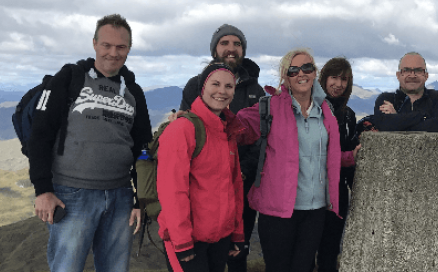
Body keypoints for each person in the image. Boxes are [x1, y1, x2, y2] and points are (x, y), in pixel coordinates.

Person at [27, 14, 153, 272]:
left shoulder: (134, 91)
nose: (113, 53)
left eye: (121, 47)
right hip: (71, 195)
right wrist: (42, 190)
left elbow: (142, 146)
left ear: (129, 49)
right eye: (106, 45)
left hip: (120, 195)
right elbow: (40, 134)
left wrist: (140, 199)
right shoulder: (69, 78)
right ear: (94, 43)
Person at [236, 48, 358, 272]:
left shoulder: (325, 110)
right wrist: (196, 120)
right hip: (277, 211)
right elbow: (236, 127)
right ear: (285, 76)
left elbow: (327, 156)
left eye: (307, 67)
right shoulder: (269, 107)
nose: (301, 73)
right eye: (293, 70)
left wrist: (352, 157)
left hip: (315, 210)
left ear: (314, 73)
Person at [177, 24, 265, 272]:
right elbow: (187, 127)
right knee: (205, 252)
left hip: (241, 185)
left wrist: (243, 171)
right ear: (214, 48)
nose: (231, 48)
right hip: (202, 188)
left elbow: (260, 138)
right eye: (224, 43)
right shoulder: (195, 85)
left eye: (237, 44)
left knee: (238, 250)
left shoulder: (255, 90)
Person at [158, 63, 246, 272]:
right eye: (215, 84)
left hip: (220, 238)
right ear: (202, 88)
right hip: (188, 240)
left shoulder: (227, 131)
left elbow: (234, 186)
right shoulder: (182, 129)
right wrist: (182, 242)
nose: (222, 91)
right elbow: (172, 190)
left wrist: (236, 233)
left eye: (229, 86)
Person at [311, 57, 360, 272]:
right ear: (324, 79)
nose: (339, 84)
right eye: (334, 77)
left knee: (330, 250)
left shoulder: (348, 115)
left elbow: (350, 152)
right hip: (311, 188)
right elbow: (314, 153)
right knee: (306, 249)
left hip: (337, 192)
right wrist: (349, 156)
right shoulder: (311, 109)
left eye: (344, 79)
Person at [372, 52, 438, 132]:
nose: (412, 75)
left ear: (426, 76)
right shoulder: (386, 99)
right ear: (398, 75)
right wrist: (423, 117)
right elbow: (384, 125)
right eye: (406, 70)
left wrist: (397, 120)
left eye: (418, 70)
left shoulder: (437, 98)